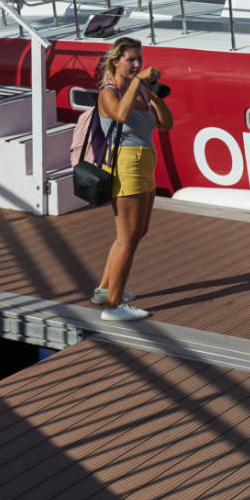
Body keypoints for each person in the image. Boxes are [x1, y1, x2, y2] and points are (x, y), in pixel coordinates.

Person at [93, 37, 172, 323]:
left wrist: (152, 95)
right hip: (127, 164)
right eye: (131, 60)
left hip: (145, 162)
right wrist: (139, 81)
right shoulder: (109, 93)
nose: (138, 64)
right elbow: (121, 114)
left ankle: (104, 289)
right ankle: (113, 306)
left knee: (137, 233)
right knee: (127, 238)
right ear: (116, 62)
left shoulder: (139, 93)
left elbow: (167, 123)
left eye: (139, 59)